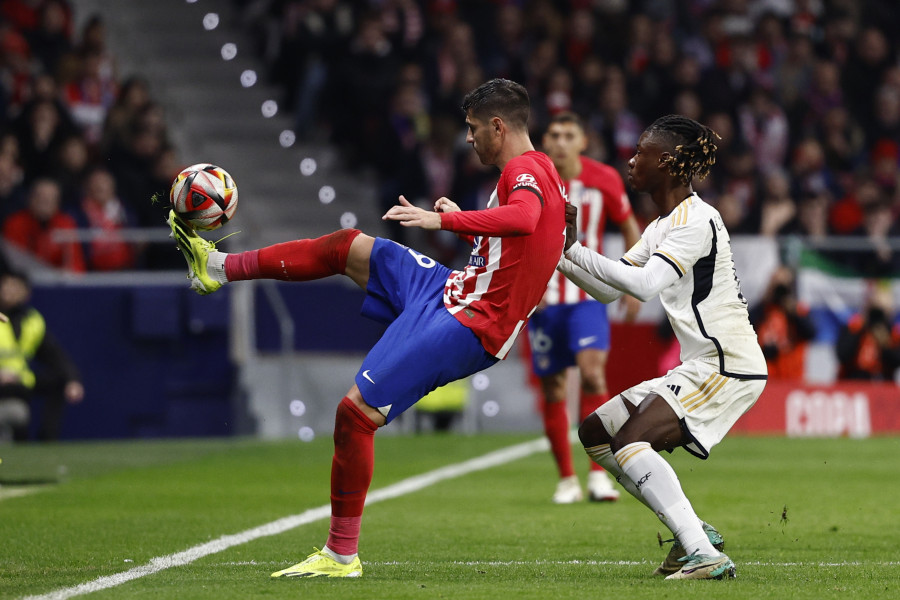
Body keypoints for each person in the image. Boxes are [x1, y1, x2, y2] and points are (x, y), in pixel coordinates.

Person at [168, 78, 566, 578]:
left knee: (354, 415)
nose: (468, 138)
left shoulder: (524, 170)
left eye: (472, 129)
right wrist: (467, 216)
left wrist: (443, 222)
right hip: (450, 288)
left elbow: (527, 220)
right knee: (347, 245)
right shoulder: (542, 169)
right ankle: (220, 268)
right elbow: (534, 233)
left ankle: (340, 555)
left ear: (498, 126)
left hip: (471, 320)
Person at [557, 115, 767, 580]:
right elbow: (611, 289)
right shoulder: (661, 225)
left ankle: (701, 553)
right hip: (702, 363)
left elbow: (646, 284)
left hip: (727, 364)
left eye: (640, 153)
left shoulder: (699, 219)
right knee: (596, 432)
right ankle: (693, 532)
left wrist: (575, 248)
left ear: (668, 162)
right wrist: (563, 251)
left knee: (632, 442)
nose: (631, 160)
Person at [528, 111, 641, 504]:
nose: (559, 142)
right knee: (554, 385)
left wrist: (631, 282)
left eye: (567, 135)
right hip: (543, 299)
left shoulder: (604, 179)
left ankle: (598, 475)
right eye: (553, 134)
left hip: (588, 296)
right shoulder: (530, 178)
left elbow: (629, 227)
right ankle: (566, 479)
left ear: (582, 141)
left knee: (593, 376)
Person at [0, 270, 84, 442]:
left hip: (19, 381)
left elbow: (55, 355)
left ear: (26, 293)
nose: (9, 290)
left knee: (60, 380)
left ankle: (47, 441)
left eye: (15, 287)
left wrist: (72, 379)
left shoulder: (32, 320)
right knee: (16, 415)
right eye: (6, 285)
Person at [836, 285, 900, 381]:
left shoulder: (892, 332)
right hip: (854, 381)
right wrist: (859, 328)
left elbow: (896, 361)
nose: (876, 317)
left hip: (882, 383)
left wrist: (885, 343)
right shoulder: (854, 327)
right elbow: (842, 355)